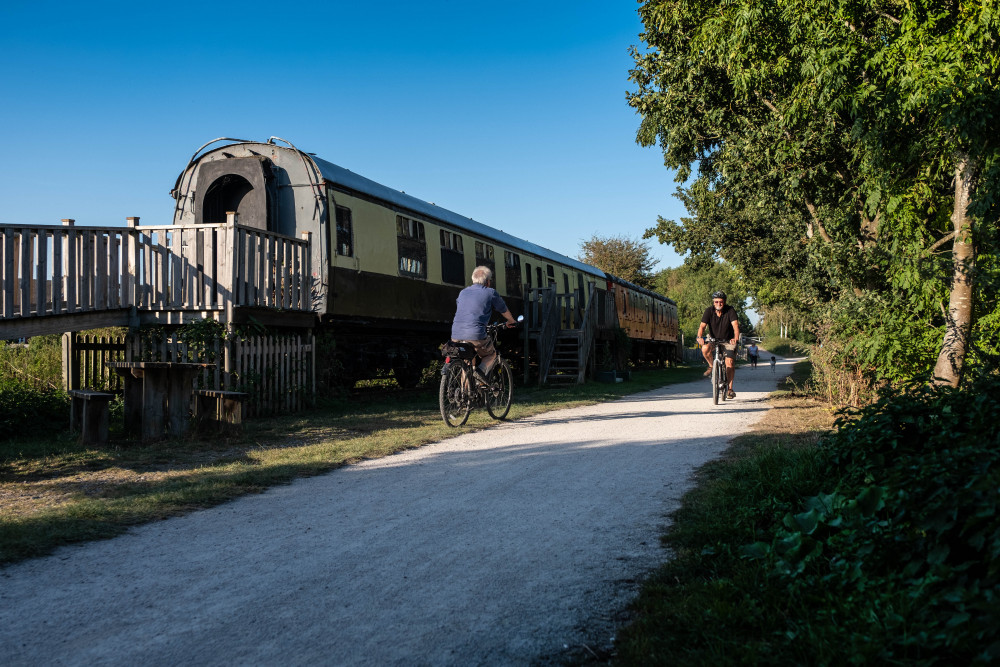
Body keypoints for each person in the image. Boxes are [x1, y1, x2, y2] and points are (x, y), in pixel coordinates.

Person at [451, 265, 518, 377]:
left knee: (467, 361)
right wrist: (511, 321)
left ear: (473, 280)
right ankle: (479, 374)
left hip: (456, 334)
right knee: (490, 355)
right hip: (475, 334)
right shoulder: (490, 292)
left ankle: (465, 392)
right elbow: (503, 309)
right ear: (487, 282)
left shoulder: (463, 292)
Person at [695, 290, 741, 399]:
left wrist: (735, 338)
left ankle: (729, 389)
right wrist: (699, 337)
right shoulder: (708, 311)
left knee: (729, 362)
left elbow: (735, 326)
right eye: (716, 302)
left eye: (720, 302)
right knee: (705, 348)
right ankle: (711, 366)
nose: (718, 304)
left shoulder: (730, 310)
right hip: (713, 339)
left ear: (724, 302)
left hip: (728, 340)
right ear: (713, 302)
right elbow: (702, 326)